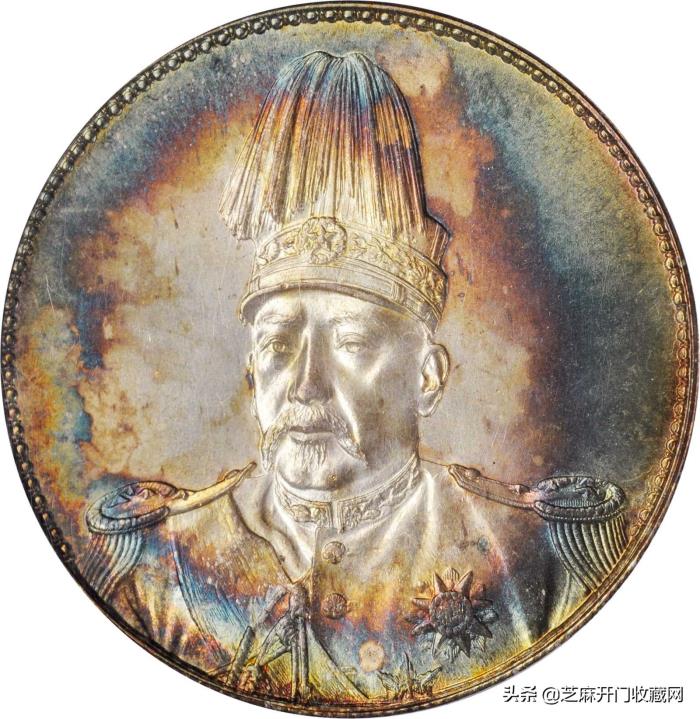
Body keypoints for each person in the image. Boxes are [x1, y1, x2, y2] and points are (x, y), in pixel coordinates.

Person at [83, 51, 627, 706]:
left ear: (427, 377)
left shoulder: (538, 558)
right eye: (279, 345)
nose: (305, 386)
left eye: (352, 343)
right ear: (252, 375)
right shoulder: (157, 565)